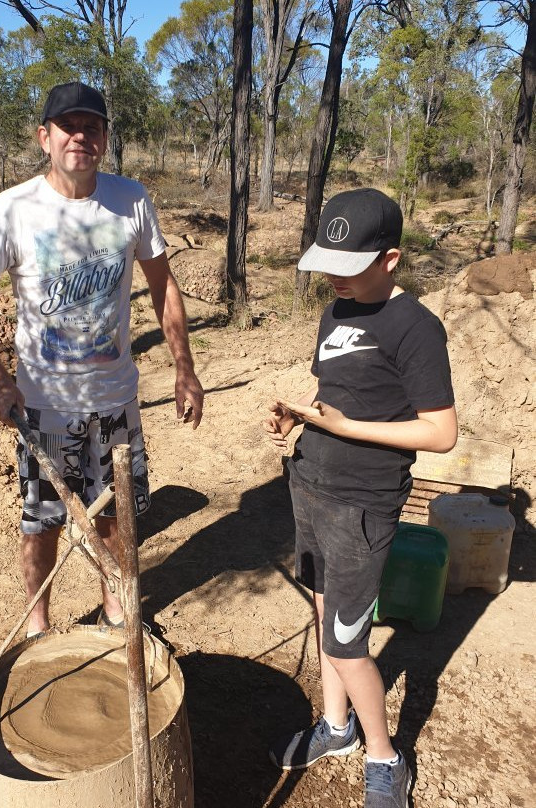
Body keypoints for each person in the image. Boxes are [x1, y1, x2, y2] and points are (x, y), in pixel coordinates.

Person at [0, 81, 204, 638]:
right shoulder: (12, 209)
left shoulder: (131, 199)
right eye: (68, 127)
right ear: (45, 137)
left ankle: (116, 614)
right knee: (43, 523)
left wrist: (185, 369)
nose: (80, 137)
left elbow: (163, 285)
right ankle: (37, 629)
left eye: (92, 127)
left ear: (105, 139)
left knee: (116, 516)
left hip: (117, 401)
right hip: (44, 408)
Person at [264, 188, 457, 808]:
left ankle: (385, 757)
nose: (333, 278)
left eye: (347, 267)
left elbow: (441, 432)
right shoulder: (335, 311)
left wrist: (349, 428)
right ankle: (337, 727)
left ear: (391, 260)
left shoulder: (416, 329)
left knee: (346, 643)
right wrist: (299, 416)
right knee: (325, 618)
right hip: (311, 484)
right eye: (326, 263)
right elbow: (334, 392)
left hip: (363, 505)